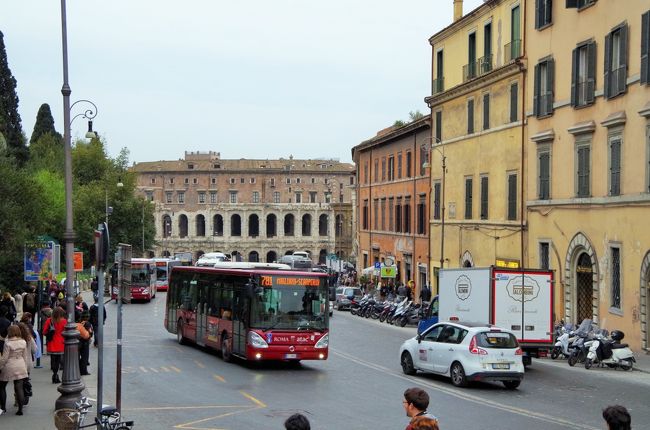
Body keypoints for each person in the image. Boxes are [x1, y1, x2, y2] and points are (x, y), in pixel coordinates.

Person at [0, 325, 31, 416]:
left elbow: (5, 358)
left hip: (9, 365)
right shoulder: (23, 342)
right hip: (20, 364)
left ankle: (3, 408)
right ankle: (20, 409)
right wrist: (25, 367)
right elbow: (25, 356)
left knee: (2, 386)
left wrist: (0, 366)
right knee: (19, 388)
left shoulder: (8, 343)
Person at [43, 307, 67, 383]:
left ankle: (54, 373)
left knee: (53, 359)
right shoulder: (64, 321)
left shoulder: (49, 320)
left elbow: (44, 332)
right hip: (60, 343)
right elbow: (66, 331)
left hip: (51, 342)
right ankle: (56, 375)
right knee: (58, 359)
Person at [77, 311, 92, 375]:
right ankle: (83, 371)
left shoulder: (78, 323)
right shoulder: (88, 324)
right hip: (85, 342)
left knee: (77, 357)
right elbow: (90, 332)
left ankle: (77, 369)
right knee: (85, 357)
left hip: (77, 341)